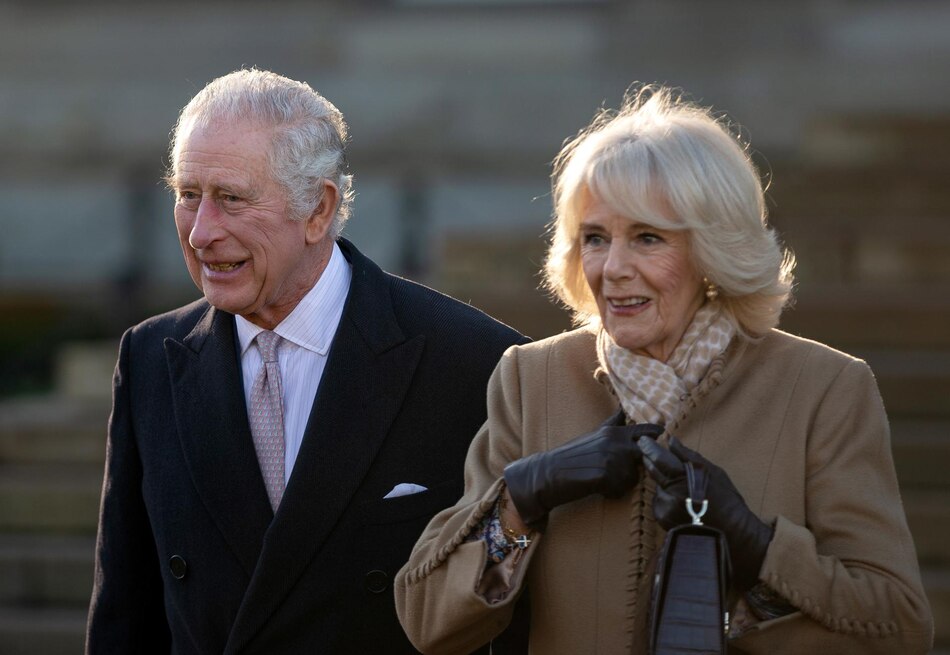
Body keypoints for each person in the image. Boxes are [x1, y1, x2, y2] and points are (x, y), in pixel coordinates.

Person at [395, 85, 934, 654]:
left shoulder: (823, 387)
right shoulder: (532, 378)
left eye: (647, 238)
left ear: (712, 250)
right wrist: (522, 499)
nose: (613, 268)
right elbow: (429, 623)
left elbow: (900, 629)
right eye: (595, 238)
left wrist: (756, 544)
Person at [85, 68, 529, 654]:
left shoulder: (475, 362)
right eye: (188, 195)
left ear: (318, 209)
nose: (200, 233)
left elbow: (508, 613)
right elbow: (124, 613)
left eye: (231, 199)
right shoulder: (150, 359)